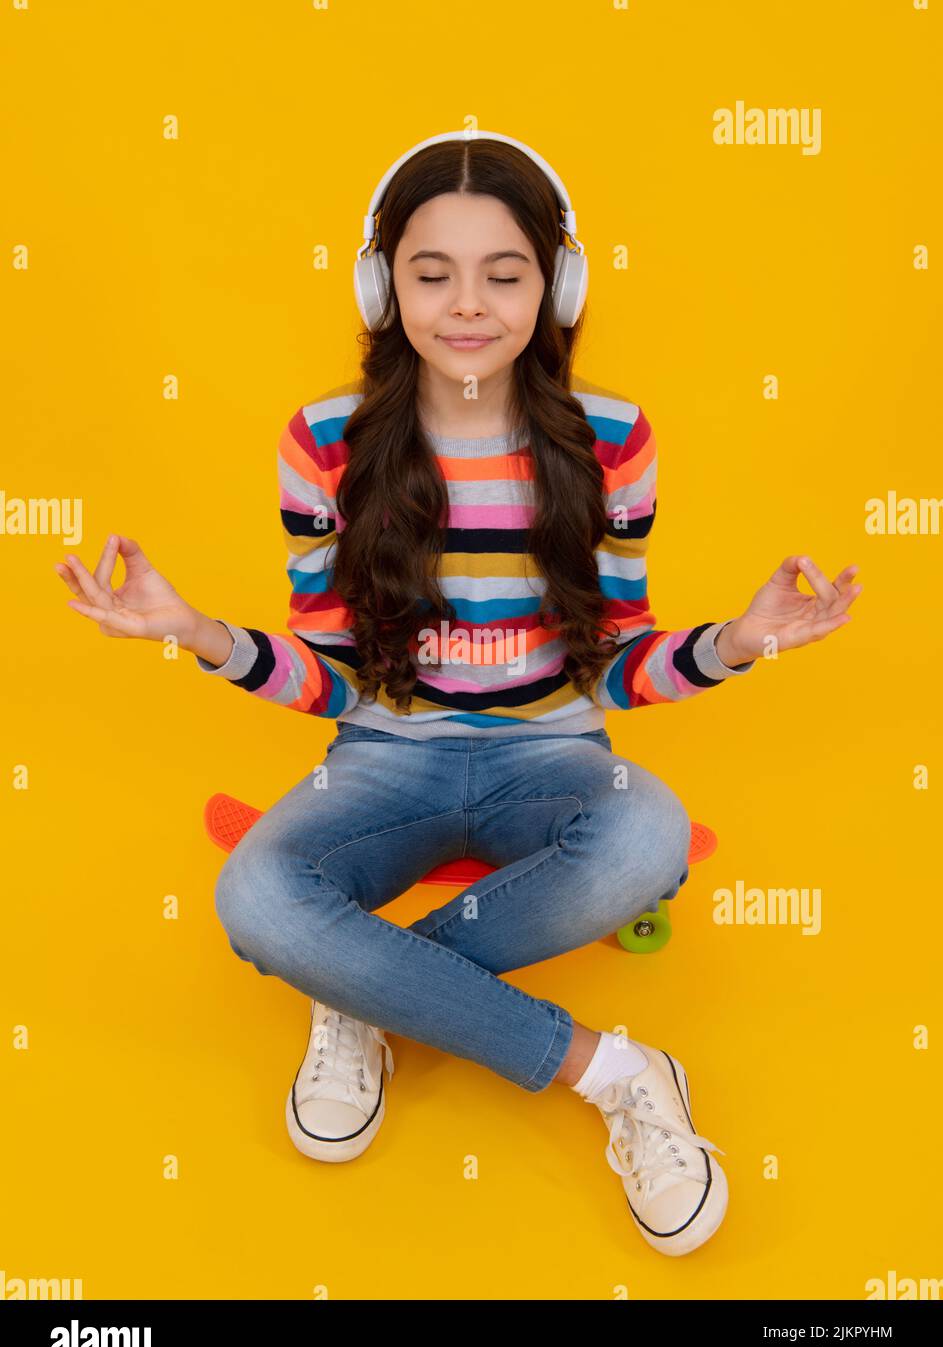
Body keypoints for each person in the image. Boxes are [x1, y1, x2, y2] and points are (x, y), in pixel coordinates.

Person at [53, 131, 861, 1258]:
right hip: (383, 755)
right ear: (384, 287)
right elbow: (330, 671)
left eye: (505, 272)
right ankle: (616, 1072)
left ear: (557, 285)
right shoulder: (324, 443)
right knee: (257, 900)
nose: (467, 305)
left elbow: (612, 659)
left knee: (650, 836)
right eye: (432, 272)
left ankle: (365, 991)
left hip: (559, 756)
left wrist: (739, 641)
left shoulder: (611, 439)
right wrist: (192, 633)